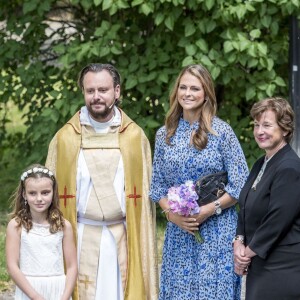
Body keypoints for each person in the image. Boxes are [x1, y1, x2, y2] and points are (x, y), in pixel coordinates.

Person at [46, 63, 158, 300]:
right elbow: (48, 198)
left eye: (103, 90)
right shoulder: (65, 139)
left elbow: (146, 198)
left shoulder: (134, 137)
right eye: (90, 91)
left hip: (123, 237)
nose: (96, 97)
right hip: (80, 235)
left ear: (117, 91)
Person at [150, 64, 249, 300]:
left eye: (195, 88)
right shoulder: (164, 135)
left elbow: (240, 183)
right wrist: (172, 215)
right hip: (180, 230)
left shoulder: (221, 132)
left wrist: (208, 210)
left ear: (206, 93)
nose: (188, 93)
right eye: (183, 87)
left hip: (217, 229)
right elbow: (157, 186)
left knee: (213, 292)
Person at [234, 97, 300, 300]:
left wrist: (246, 253)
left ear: (285, 129)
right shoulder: (261, 163)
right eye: (256, 125)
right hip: (260, 261)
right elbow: (244, 206)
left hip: (282, 265)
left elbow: (277, 220)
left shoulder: (290, 167)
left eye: (267, 125)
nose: (260, 131)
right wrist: (239, 240)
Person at [6, 164, 77, 300]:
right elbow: (12, 266)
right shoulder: (16, 226)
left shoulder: (63, 225)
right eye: (32, 193)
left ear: (53, 192)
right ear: (24, 194)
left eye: (45, 192)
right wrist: (36, 296)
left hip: (59, 290)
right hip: (29, 291)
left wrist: (65, 297)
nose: (39, 198)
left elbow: (72, 266)